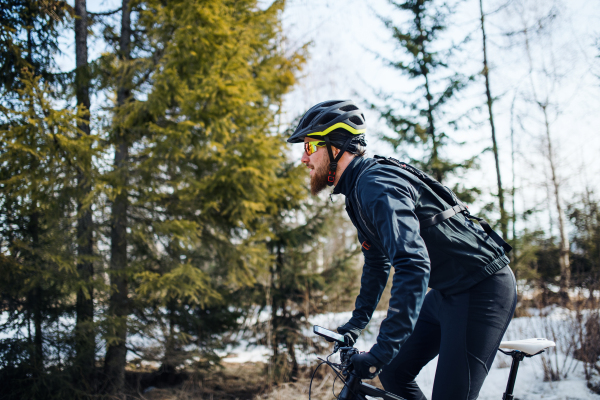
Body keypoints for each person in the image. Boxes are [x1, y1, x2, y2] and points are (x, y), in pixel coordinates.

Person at [289, 100, 517, 400]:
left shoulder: (374, 184)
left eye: (309, 147)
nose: (304, 159)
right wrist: (355, 325)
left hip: (482, 289)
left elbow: (412, 263)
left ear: (336, 147)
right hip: (447, 292)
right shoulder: (357, 191)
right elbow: (376, 263)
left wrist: (381, 350)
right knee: (394, 373)